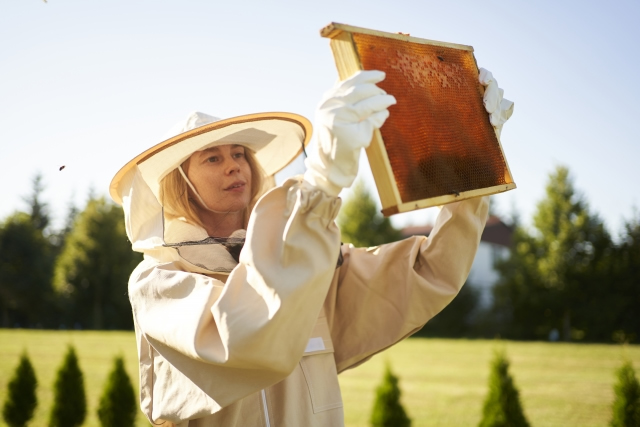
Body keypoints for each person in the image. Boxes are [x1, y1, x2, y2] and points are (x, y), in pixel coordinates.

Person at [109, 69, 513, 427]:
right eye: (212, 158)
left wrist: (474, 160)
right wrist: (320, 184)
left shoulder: (312, 263)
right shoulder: (159, 281)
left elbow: (427, 272)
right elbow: (246, 334)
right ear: (181, 183)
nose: (234, 166)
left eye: (238, 154)